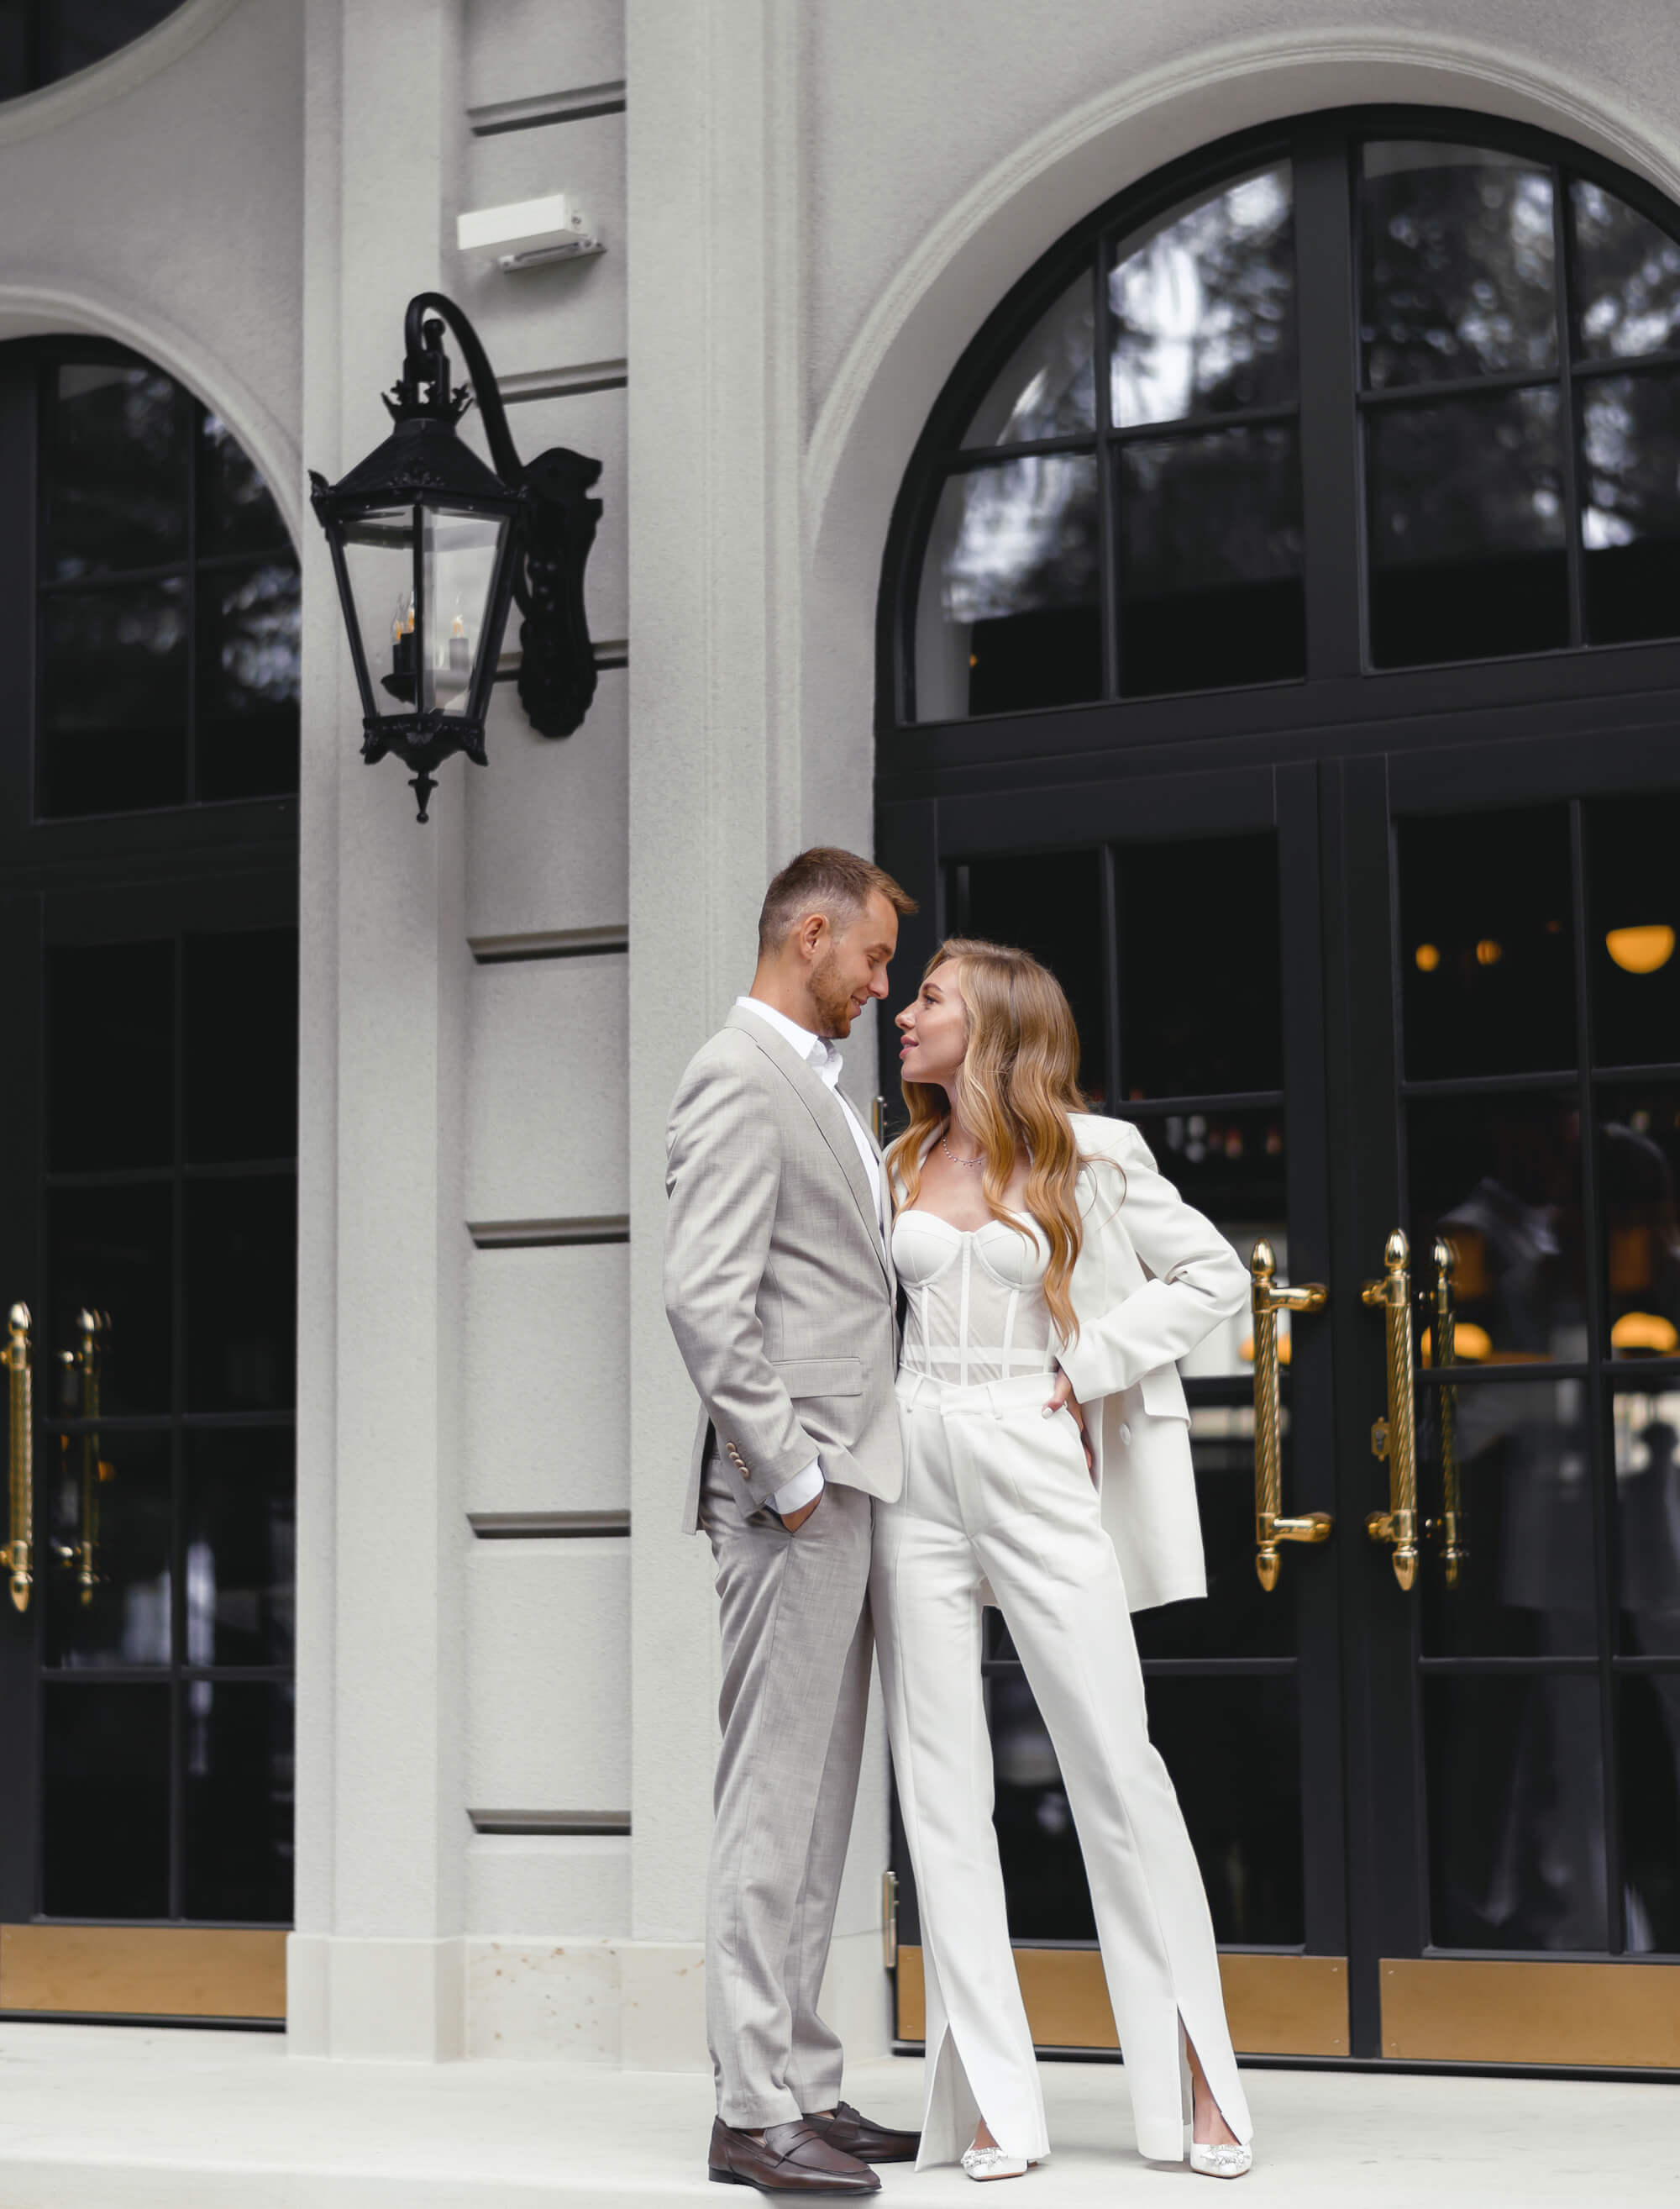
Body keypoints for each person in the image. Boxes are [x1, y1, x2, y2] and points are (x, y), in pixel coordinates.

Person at [874, 937, 1257, 2183]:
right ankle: (994, 2098)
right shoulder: (899, 1158)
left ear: (991, 1020)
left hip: (1033, 1449)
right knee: (940, 1786)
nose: (904, 1012)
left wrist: (1082, 1368)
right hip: (913, 1462)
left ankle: (1197, 2082)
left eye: (929, 996)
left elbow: (1210, 1275)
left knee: (1116, 1766)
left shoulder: (1088, 1155)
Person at [664, 847, 921, 2196]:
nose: (881, 985)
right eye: (872, 957)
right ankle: (749, 2106)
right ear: (808, 933)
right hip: (792, 1494)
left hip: (850, 1480)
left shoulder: (821, 1082)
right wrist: (795, 1472)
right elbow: (705, 1298)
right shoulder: (735, 1073)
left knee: (822, 1805)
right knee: (770, 1799)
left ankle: (807, 2081)